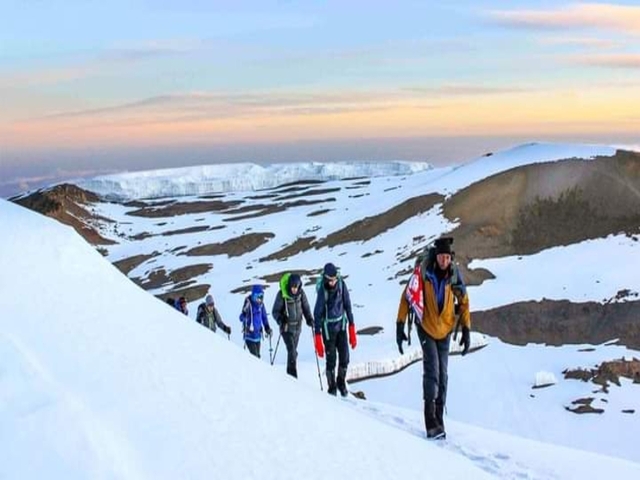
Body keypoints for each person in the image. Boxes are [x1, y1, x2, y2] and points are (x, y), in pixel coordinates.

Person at [396, 237, 471, 440]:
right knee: (433, 372)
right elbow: (406, 297)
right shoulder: (423, 273)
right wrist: (399, 325)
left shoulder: (453, 274)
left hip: (444, 329)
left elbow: (463, 300)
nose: (444, 260)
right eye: (441, 257)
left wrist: (466, 329)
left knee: (443, 375)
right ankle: (430, 423)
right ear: (436, 257)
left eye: (447, 257)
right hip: (426, 328)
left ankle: (439, 420)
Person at [313, 263, 357, 397]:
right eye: (330, 280)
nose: (333, 282)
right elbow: (317, 314)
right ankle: (331, 387)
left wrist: (352, 327)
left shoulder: (342, 286)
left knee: (345, 357)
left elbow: (348, 306)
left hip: (341, 327)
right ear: (326, 278)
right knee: (331, 359)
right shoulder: (323, 291)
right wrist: (318, 337)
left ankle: (341, 382)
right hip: (328, 330)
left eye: (335, 279)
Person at [272, 273, 314, 378]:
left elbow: (306, 307)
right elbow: (275, 311)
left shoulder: (301, 294)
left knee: (293, 352)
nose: (294, 289)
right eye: (292, 287)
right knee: (291, 350)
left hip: (297, 328)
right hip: (286, 328)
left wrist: (309, 319)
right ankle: (293, 376)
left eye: (296, 287)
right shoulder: (282, 294)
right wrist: (281, 319)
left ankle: (289, 377)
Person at [240, 285, 272, 358]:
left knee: (258, 356)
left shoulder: (261, 305)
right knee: (255, 357)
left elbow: (264, 317)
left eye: (262, 297)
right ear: (254, 296)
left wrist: (267, 327)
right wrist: (244, 314)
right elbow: (241, 318)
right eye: (259, 297)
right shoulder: (248, 304)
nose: (260, 299)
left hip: (257, 335)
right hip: (249, 335)